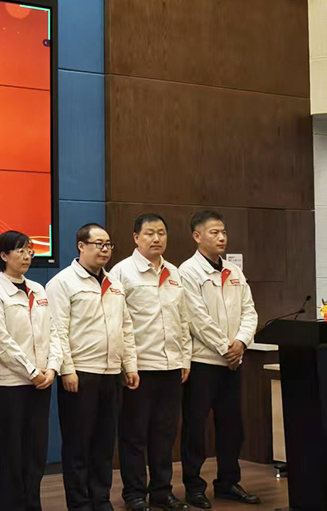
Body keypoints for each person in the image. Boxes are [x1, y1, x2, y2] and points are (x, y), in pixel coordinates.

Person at [47, 223, 139, 511]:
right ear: (81, 246)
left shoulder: (115, 284)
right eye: (98, 244)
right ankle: (79, 504)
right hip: (80, 374)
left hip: (111, 374)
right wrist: (67, 370)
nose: (105, 250)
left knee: (104, 444)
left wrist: (129, 366)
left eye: (108, 244)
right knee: (78, 445)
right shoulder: (63, 283)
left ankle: (101, 500)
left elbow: (126, 327)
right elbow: (57, 330)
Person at [110, 214, 192, 511]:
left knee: (164, 434)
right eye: (149, 233)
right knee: (134, 435)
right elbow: (117, 322)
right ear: (136, 237)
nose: (156, 239)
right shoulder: (121, 272)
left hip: (171, 366)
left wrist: (185, 358)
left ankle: (162, 491)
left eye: (161, 233)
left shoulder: (174, 272)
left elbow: (183, 320)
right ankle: (134, 494)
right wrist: (127, 366)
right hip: (139, 368)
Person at [179, 210, 260, 507]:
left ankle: (227, 482)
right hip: (203, 363)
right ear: (197, 236)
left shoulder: (234, 271)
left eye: (223, 232)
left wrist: (241, 342)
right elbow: (196, 319)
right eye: (214, 232)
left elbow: (250, 311)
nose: (222, 237)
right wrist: (226, 348)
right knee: (195, 427)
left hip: (232, 363)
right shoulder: (187, 272)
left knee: (232, 427)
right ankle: (193, 486)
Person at [0, 230, 61, 511]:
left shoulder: (38, 290)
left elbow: (53, 331)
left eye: (30, 250)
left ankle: (32, 504)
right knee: (10, 453)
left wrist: (52, 368)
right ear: (4, 255)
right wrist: (31, 371)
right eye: (20, 250)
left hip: (41, 382)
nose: (27, 255)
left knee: (35, 451)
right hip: (9, 385)